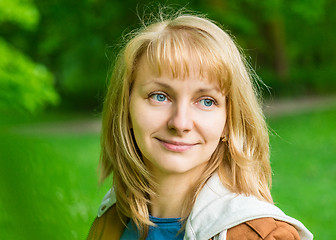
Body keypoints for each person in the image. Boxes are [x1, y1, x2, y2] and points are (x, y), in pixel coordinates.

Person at [87, 10, 313, 240]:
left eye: (206, 101)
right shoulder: (111, 218)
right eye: (160, 96)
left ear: (229, 121)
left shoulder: (260, 235)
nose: (180, 123)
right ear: (125, 109)